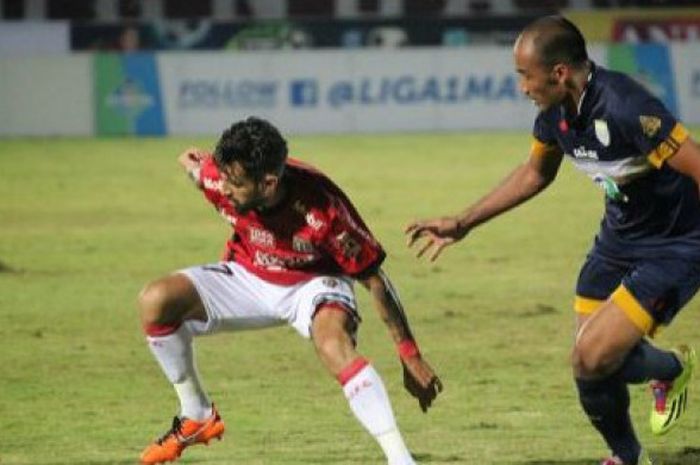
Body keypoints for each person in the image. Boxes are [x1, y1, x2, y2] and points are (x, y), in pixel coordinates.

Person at [405, 15, 698, 465]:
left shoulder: (625, 107)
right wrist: (463, 222)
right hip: (617, 243)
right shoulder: (555, 117)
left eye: (526, 75)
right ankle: (637, 437)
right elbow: (534, 174)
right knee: (594, 366)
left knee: (591, 357)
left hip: (677, 245)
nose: (522, 87)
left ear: (560, 73)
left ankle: (642, 428)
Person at [138, 116, 442, 465]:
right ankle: (197, 414)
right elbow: (197, 168)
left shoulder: (324, 212)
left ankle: (401, 460)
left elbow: (375, 280)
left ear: (268, 183)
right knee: (155, 301)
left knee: (332, 344)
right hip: (248, 275)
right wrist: (196, 167)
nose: (223, 188)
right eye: (221, 177)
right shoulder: (221, 178)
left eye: (234, 183)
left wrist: (409, 353)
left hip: (312, 283)